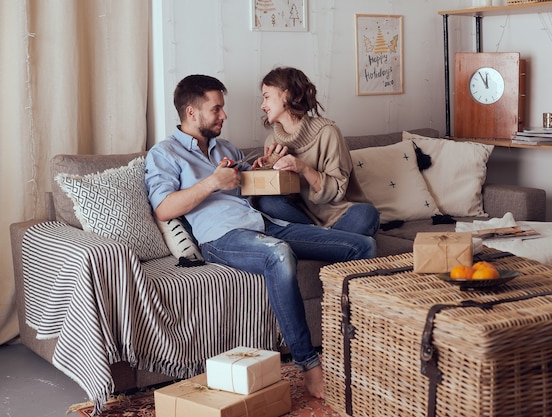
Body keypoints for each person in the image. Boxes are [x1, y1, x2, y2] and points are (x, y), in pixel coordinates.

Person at [144, 74, 377, 399]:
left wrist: (263, 166)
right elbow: (164, 208)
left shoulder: (225, 147)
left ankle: (362, 344)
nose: (224, 115)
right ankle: (308, 364)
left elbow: (254, 190)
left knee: (363, 245)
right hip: (222, 238)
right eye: (217, 109)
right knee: (279, 253)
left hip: (263, 224)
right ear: (192, 113)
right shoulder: (165, 154)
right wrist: (212, 182)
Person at [252, 66, 380, 238]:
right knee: (267, 202)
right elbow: (285, 201)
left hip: (341, 215)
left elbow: (337, 191)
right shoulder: (272, 142)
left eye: (266, 97)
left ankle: (318, 241)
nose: (263, 105)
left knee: (367, 214)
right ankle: (331, 242)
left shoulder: (328, 132)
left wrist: (303, 168)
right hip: (302, 218)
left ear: (288, 95)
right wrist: (267, 171)